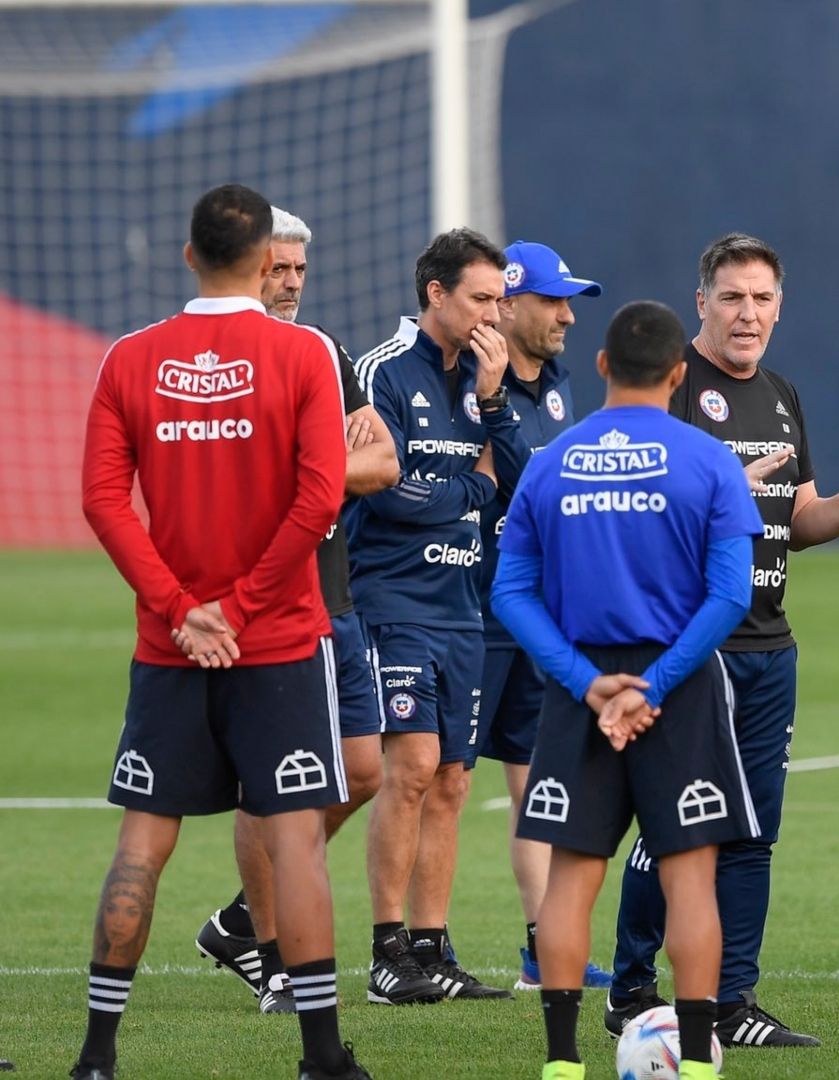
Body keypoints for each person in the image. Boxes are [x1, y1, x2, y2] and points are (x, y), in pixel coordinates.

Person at [607, 232, 839, 1046]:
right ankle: (631, 983)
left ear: (779, 308)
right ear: (701, 305)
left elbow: (800, 518)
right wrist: (719, 492)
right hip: (692, 646)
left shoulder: (781, 393)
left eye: (761, 299)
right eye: (732, 297)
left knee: (755, 832)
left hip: (768, 646)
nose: (747, 314)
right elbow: (633, 511)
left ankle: (731, 1001)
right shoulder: (673, 388)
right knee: (678, 830)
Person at [75, 183, 369, 1079]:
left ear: (189, 255)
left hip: (171, 647)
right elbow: (320, 497)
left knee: (141, 846)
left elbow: (101, 500)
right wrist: (237, 611)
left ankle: (96, 1057)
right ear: (262, 260)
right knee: (294, 837)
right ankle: (321, 1058)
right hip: (276, 639)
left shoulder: (130, 358)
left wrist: (179, 609)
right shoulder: (302, 354)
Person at [492, 299, 762, 1080]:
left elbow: (510, 594)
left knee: (573, 879)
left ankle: (561, 1064)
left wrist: (589, 686)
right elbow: (730, 596)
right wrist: (653, 685)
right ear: (679, 376)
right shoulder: (708, 460)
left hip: (584, 685)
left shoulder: (549, 461)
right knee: (689, 878)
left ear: (604, 366)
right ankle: (703, 1065)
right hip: (675, 683)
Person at [193, 206, 399, 1014]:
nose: (289, 284)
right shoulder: (221, 356)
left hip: (334, 594)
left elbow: (379, 463)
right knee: (269, 788)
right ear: (246, 265)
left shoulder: (324, 352)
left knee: (363, 771)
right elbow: (224, 468)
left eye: (299, 272)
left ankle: (243, 921)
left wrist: (303, 470)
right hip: (260, 604)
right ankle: (277, 957)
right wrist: (315, 466)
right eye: (276, 268)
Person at [351, 227, 515, 1003]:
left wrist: (492, 401)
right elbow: (387, 490)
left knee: (451, 780)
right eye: (482, 298)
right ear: (436, 295)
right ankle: (386, 953)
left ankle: (430, 945)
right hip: (392, 600)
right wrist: (471, 492)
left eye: (501, 300)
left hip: (463, 606)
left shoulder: (483, 378)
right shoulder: (381, 373)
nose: (495, 315)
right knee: (410, 767)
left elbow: (513, 478)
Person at [465, 240, 611, 990]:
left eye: (570, 302)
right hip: (465, 607)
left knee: (538, 784)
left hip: (537, 613)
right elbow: (530, 488)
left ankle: (541, 949)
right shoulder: (465, 381)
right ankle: (408, 946)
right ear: (508, 303)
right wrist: (491, 408)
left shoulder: (556, 388)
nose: (566, 316)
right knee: (429, 781)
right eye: (554, 301)